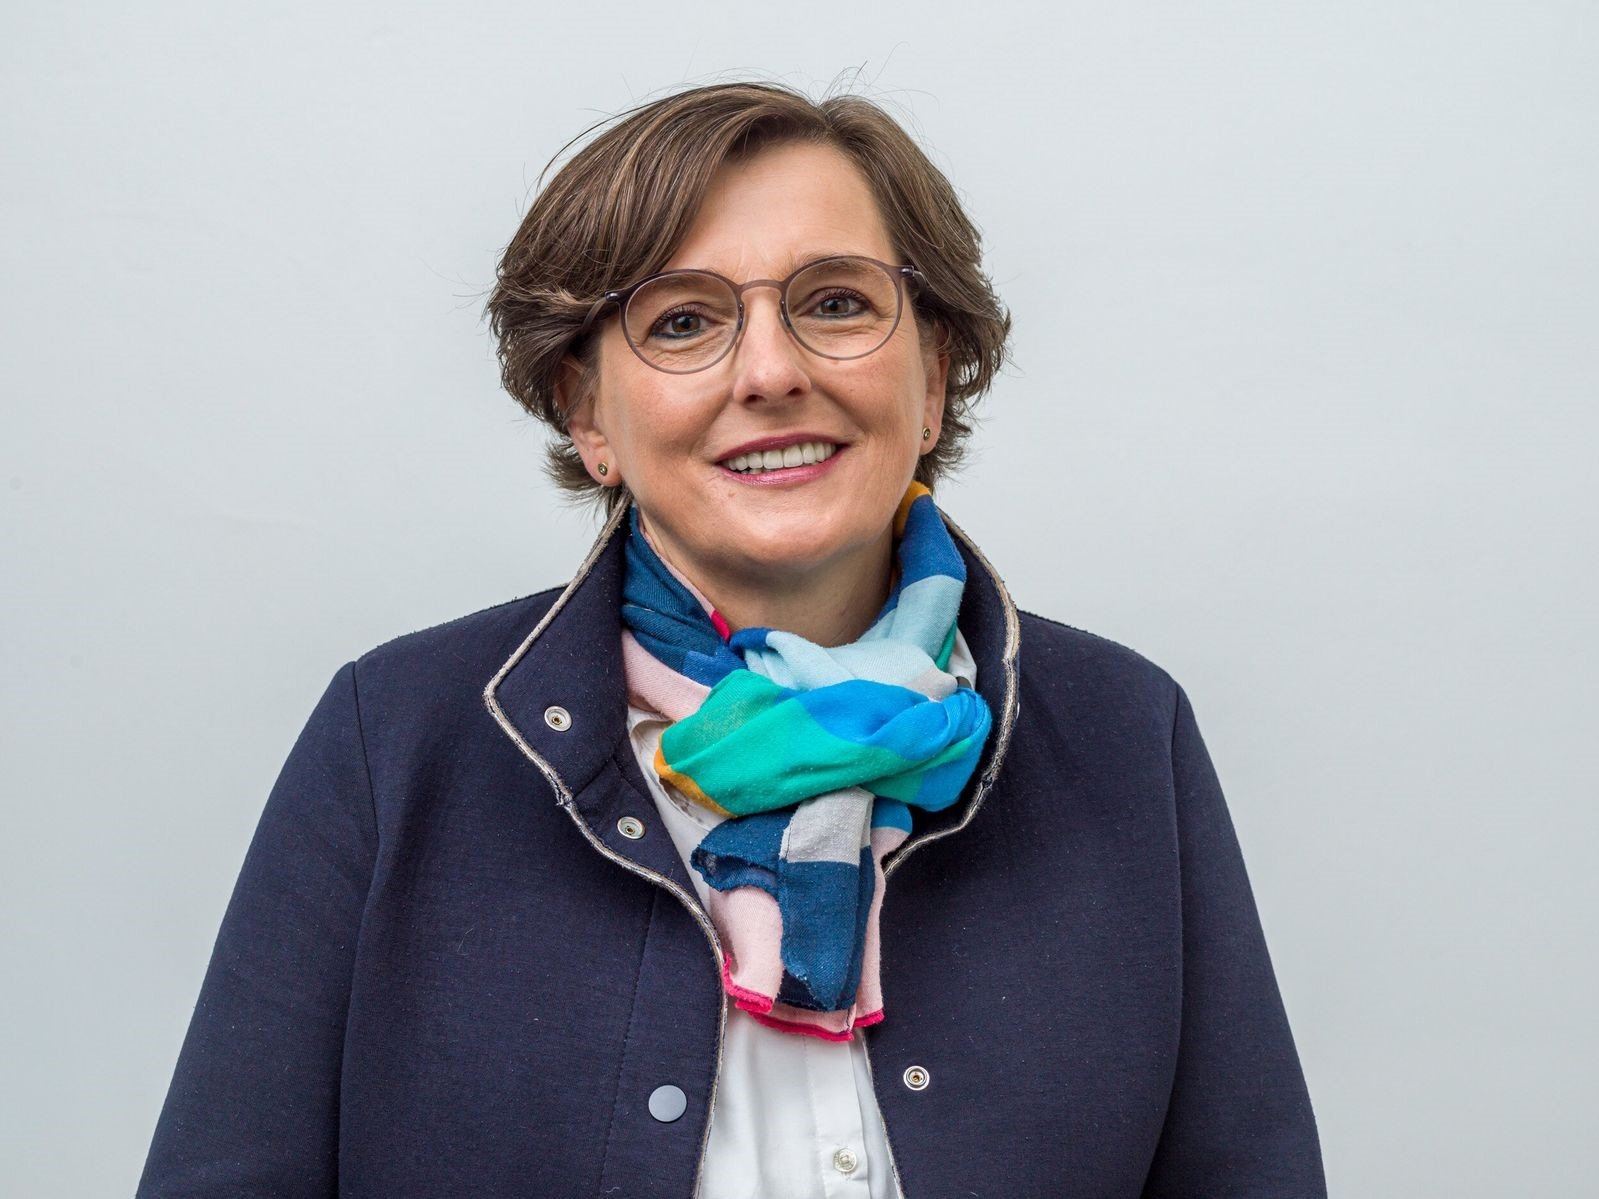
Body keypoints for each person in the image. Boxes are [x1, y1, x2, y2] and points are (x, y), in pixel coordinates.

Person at [137, 81, 1327, 1197]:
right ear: (588, 414)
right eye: (683, 320)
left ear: (933, 376)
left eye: (836, 302)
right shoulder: (394, 739)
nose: (769, 371)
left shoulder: (1126, 733)